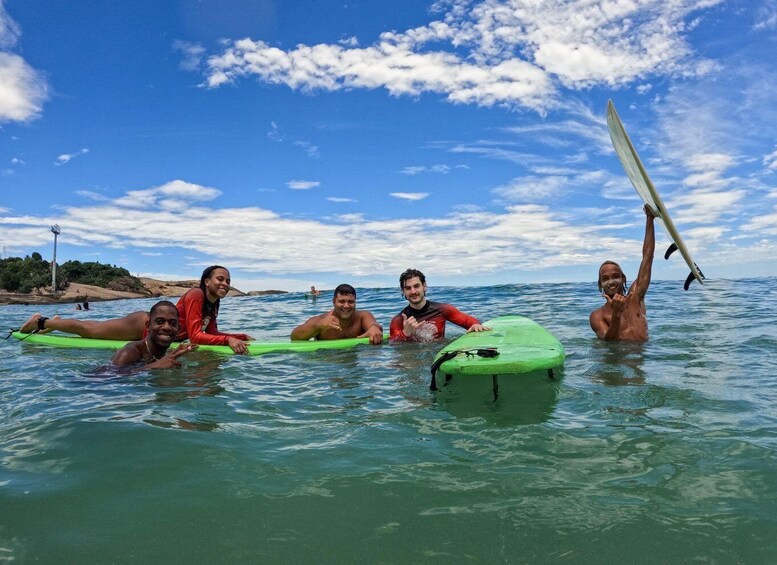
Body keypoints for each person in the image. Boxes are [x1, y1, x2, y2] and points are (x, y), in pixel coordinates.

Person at [18, 265, 253, 354]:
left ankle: (53, 322)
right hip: (143, 325)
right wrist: (227, 341)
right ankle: (43, 321)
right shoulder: (195, 295)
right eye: (220, 278)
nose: (225, 283)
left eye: (228, 280)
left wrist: (240, 337)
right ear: (207, 281)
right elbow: (196, 336)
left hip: (159, 334)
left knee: (91, 328)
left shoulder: (212, 302)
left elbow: (211, 331)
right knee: (90, 328)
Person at [590, 205, 655, 341]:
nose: (611, 282)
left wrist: (650, 218)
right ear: (600, 284)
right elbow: (609, 344)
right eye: (605, 278)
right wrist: (617, 314)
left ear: (623, 279)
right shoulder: (597, 316)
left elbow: (647, 258)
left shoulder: (636, 297)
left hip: (644, 358)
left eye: (615, 276)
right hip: (617, 359)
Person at [390, 268, 489, 341]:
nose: (413, 291)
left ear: (424, 286)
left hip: (438, 353)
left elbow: (469, 322)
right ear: (403, 291)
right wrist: (405, 333)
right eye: (408, 288)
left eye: (416, 286)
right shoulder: (399, 320)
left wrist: (476, 325)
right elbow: (394, 346)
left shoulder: (443, 309)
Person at [111, 301, 198, 368]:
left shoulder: (166, 353)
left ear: (178, 329)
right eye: (160, 322)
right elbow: (106, 378)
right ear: (148, 326)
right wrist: (154, 366)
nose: (166, 327)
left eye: (172, 323)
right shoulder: (129, 353)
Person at [291, 283, 383, 344]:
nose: (346, 306)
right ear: (334, 302)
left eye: (351, 302)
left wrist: (374, 328)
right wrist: (318, 325)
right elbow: (294, 336)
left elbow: (373, 324)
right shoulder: (321, 320)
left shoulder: (362, 316)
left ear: (355, 302)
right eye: (341, 301)